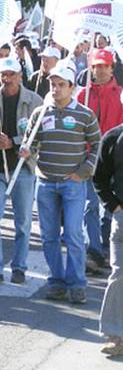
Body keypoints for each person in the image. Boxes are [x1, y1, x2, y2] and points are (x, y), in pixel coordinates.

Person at [21, 64, 100, 304]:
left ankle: (77, 284)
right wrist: (27, 150)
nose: (55, 89)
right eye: (52, 84)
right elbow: (30, 142)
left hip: (73, 184)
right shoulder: (40, 113)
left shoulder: (85, 114)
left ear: (71, 88)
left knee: (74, 234)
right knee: (49, 236)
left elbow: (96, 145)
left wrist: (85, 171)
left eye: (61, 85)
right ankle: (57, 281)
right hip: (45, 183)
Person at [0, 57, 42, 285]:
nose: (7, 79)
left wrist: (14, 142)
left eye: (11, 74)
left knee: (23, 222)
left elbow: (39, 136)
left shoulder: (34, 101)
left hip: (22, 168)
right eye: (3, 75)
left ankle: (19, 267)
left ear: (20, 75)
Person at [76, 48, 123, 274]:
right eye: (96, 66)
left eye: (105, 65)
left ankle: (106, 248)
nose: (101, 70)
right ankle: (94, 251)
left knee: (110, 207)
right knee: (90, 206)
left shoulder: (121, 94)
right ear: (91, 69)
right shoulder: (82, 95)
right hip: (89, 157)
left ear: (112, 67)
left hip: (115, 159)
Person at [92, 120, 123, 357]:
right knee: (119, 275)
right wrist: (115, 208)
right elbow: (99, 179)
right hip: (122, 218)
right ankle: (116, 335)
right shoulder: (112, 138)